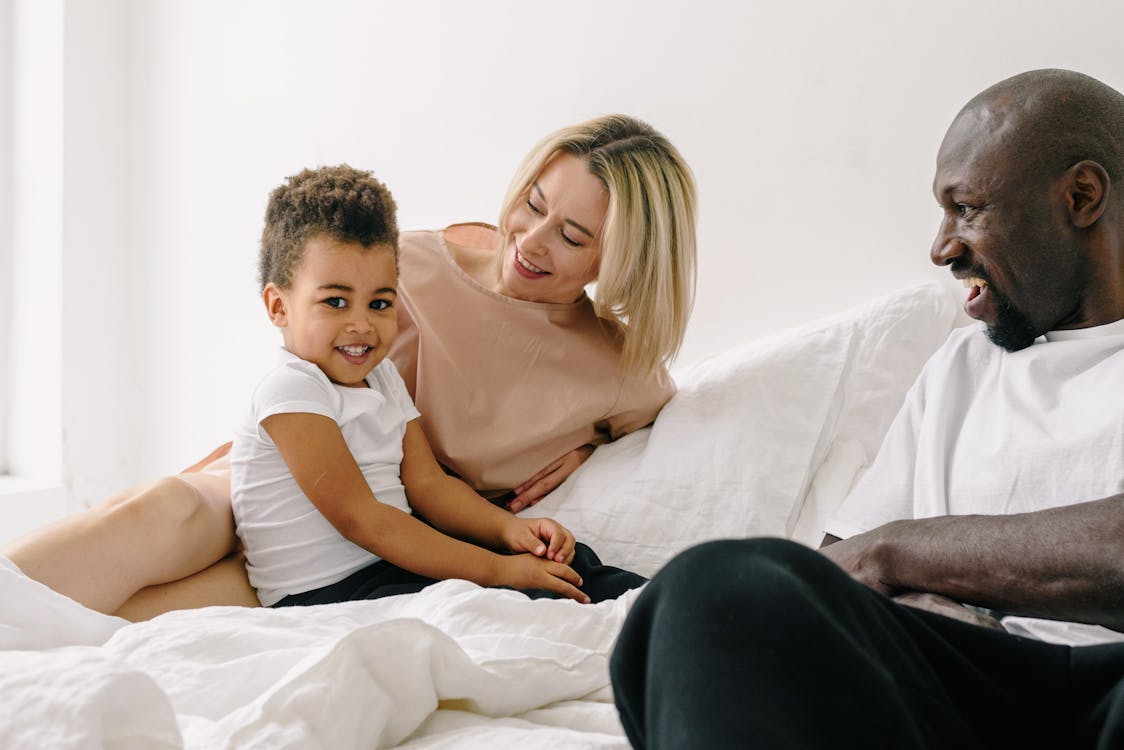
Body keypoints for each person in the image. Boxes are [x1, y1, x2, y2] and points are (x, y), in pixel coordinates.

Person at [2, 114, 696, 619]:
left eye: (572, 236)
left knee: (130, 625)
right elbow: (311, 352)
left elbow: (645, 422)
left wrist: (586, 448)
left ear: (623, 257)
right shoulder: (414, 263)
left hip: (374, 549)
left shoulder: (620, 373)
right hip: (293, 483)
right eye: (533, 206)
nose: (531, 242)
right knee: (167, 510)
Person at [610, 68, 1124, 748]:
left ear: (1081, 196)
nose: (941, 247)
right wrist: (910, 595)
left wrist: (896, 552)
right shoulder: (959, 369)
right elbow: (831, 579)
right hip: (964, 684)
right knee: (712, 589)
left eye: (966, 209)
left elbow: (872, 556)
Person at [234, 164, 642, 606]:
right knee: (501, 597)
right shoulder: (292, 392)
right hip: (328, 591)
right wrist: (498, 571)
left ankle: (660, 601)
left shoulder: (382, 376)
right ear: (279, 306)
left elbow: (429, 485)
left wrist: (508, 530)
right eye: (335, 302)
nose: (362, 325)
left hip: (386, 565)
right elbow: (366, 521)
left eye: (380, 303)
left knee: (569, 563)